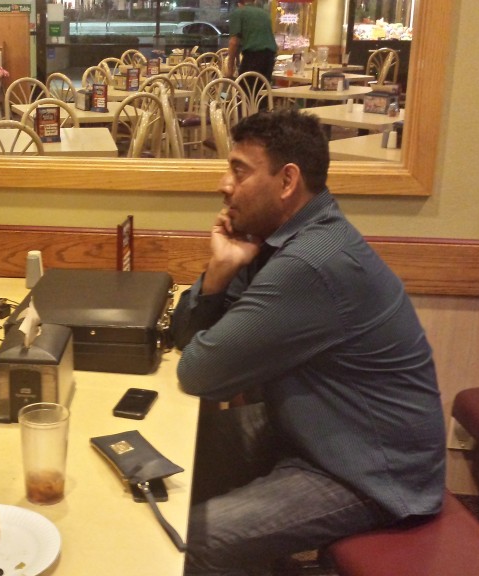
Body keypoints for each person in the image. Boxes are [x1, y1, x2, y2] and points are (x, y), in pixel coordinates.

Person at [169, 109, 446, 576]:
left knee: (192, 540)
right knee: (170, 454)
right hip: (308, 430)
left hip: (367, 471)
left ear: (287, 181)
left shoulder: (311, 263)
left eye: (239, 170)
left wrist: (219, 290)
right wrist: (219, 273)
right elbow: (185, 338)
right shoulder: (279, 242)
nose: (223, 184)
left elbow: (198, 372)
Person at [226, 0, 277, 106]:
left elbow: (234, 42)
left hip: (253, 56)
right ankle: (262, 118)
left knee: (242, 93)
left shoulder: (238, 13)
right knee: (261, 93)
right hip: (269, 57)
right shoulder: (264, 13)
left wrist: (229, 69)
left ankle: (243, 119)